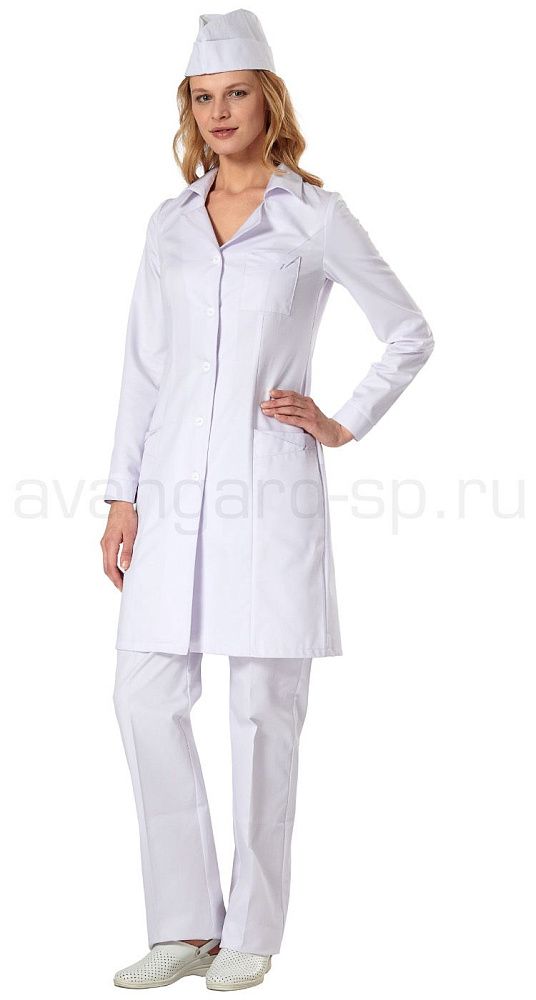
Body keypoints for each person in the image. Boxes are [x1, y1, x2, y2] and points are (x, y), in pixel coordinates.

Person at [101, 8, 435, 992]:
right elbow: (143, 368)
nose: (219, 112)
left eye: (235, 93)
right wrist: (120, 495)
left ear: (268, 101)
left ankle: (250, 929)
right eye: (203, 97)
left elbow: (408, 331)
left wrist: (341, 420)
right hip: (168, 493)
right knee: (143, 698)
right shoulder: (168, 223)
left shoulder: (312, 217)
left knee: (261, 713)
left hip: (268, 490)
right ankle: (181, 925)